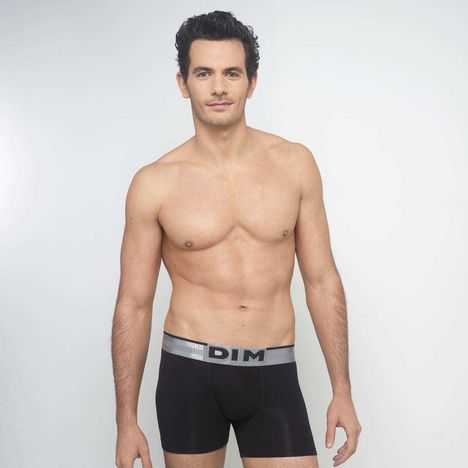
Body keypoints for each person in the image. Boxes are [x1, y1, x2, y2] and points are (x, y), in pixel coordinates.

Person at [111, 10, 361, 468]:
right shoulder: (154, 183)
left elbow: (322, 279)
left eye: (231, 73)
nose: (218, 88)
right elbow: (134, 302)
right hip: (189, 374)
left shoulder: (294, 165)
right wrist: (125, 420)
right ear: (183, 83)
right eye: (203, 73)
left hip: (274, 372)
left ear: (252, 82)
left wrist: (341, 388)